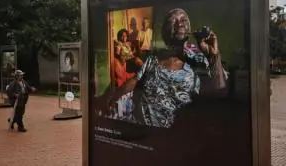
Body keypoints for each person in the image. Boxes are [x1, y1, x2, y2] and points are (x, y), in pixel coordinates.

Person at [96, 8, 227, 128]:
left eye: (183, 20)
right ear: (165, 31)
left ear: (189, 28)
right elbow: (136, 80)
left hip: (178, 133)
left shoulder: (198, 58)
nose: (179, 24)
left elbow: (219, 91)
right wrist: (113, 96)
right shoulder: (155, 57)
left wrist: (214, 56)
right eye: (173, 21)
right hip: (143, 129)